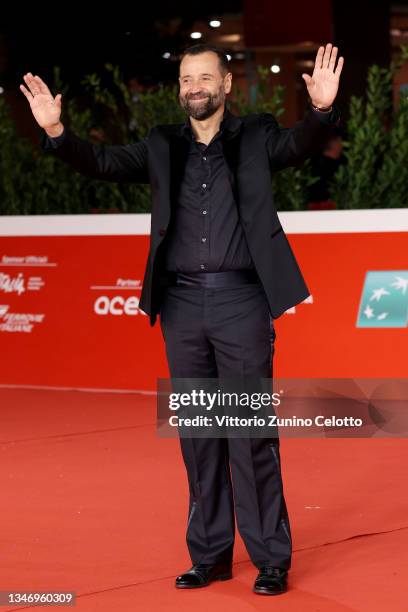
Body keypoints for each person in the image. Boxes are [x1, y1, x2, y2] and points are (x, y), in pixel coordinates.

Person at [20, 42, 343, 596]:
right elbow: (100, 163)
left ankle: (269, 558)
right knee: (198, 435)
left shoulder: (256, 136)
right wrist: (57, 133)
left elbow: (299, 146)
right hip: (182, 307)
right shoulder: (160, 144)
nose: (194, 87)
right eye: (185, 80)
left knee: (249, 433)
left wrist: (321, 112)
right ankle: (211, 554)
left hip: (242, 301)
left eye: (204, 77)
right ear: (180, 91)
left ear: (225, 85)